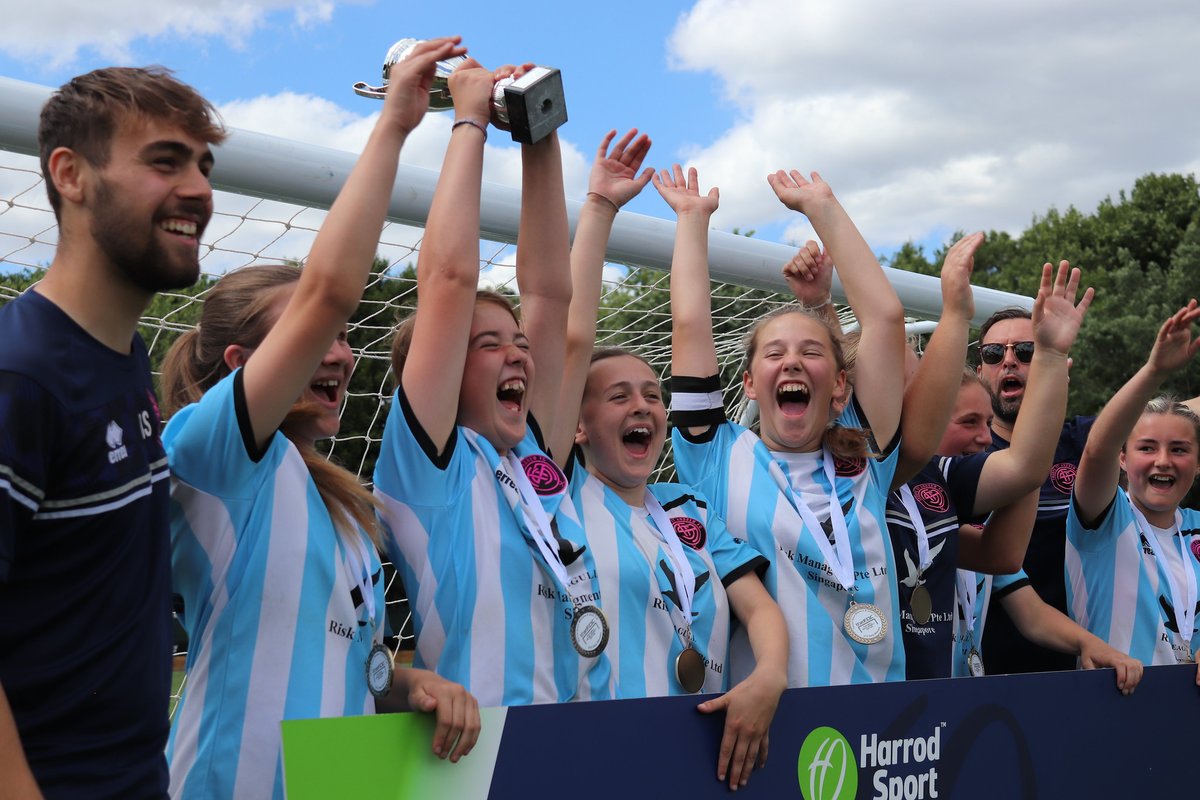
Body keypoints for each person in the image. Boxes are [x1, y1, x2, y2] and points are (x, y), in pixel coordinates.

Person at [159, 38, 479, 799]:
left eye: (341, 340)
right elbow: (329, 288)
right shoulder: (212, 454)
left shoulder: (339, 504)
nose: (339, 353)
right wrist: (398, 123)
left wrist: (412, 687)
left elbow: (342, 665)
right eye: (312, 339)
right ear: (243, 367)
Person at [0, 66, 224, 799]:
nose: (198, 188)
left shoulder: (123, 354)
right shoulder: (21, 375)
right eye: (165, 160)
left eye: (203, 164)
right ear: (71, 174)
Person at [548, 131, 788, 790]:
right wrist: (598, 208)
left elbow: (760, 610)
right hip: (590, 759)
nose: (646, 408)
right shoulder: (555, 498)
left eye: (654, 395)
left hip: (698, 757)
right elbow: (571, 338)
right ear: (576, 427)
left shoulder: (690, 509)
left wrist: (768, 677)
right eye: (620, 396)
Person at [374, 58, 611, 707]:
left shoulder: (533, 457)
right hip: (477, 761)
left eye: (520, 346)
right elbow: (448, 282)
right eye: (488, 345)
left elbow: (549, 293)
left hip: (583, 747)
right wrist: (470, 119)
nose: (518, 357)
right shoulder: (431, 466)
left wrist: (539, 131)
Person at [663, 165, 908, 686]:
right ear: (749, 384)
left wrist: (822, 206)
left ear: (840, 384)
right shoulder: (715, 455)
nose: (792, 362)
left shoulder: (865, 452)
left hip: (883, 726)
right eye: (775, 353)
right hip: (762, 727)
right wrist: (691, 220)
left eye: (811, 351)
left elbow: (884, 317)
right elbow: (689, 321)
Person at [1067, 302, 1200, 677]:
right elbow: (1096, 449)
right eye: (1147, 448)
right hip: (1115, 714)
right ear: (1122, 459)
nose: (1163, 461)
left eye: (1179, 449)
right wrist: (1155, 371)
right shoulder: (1105, 518)